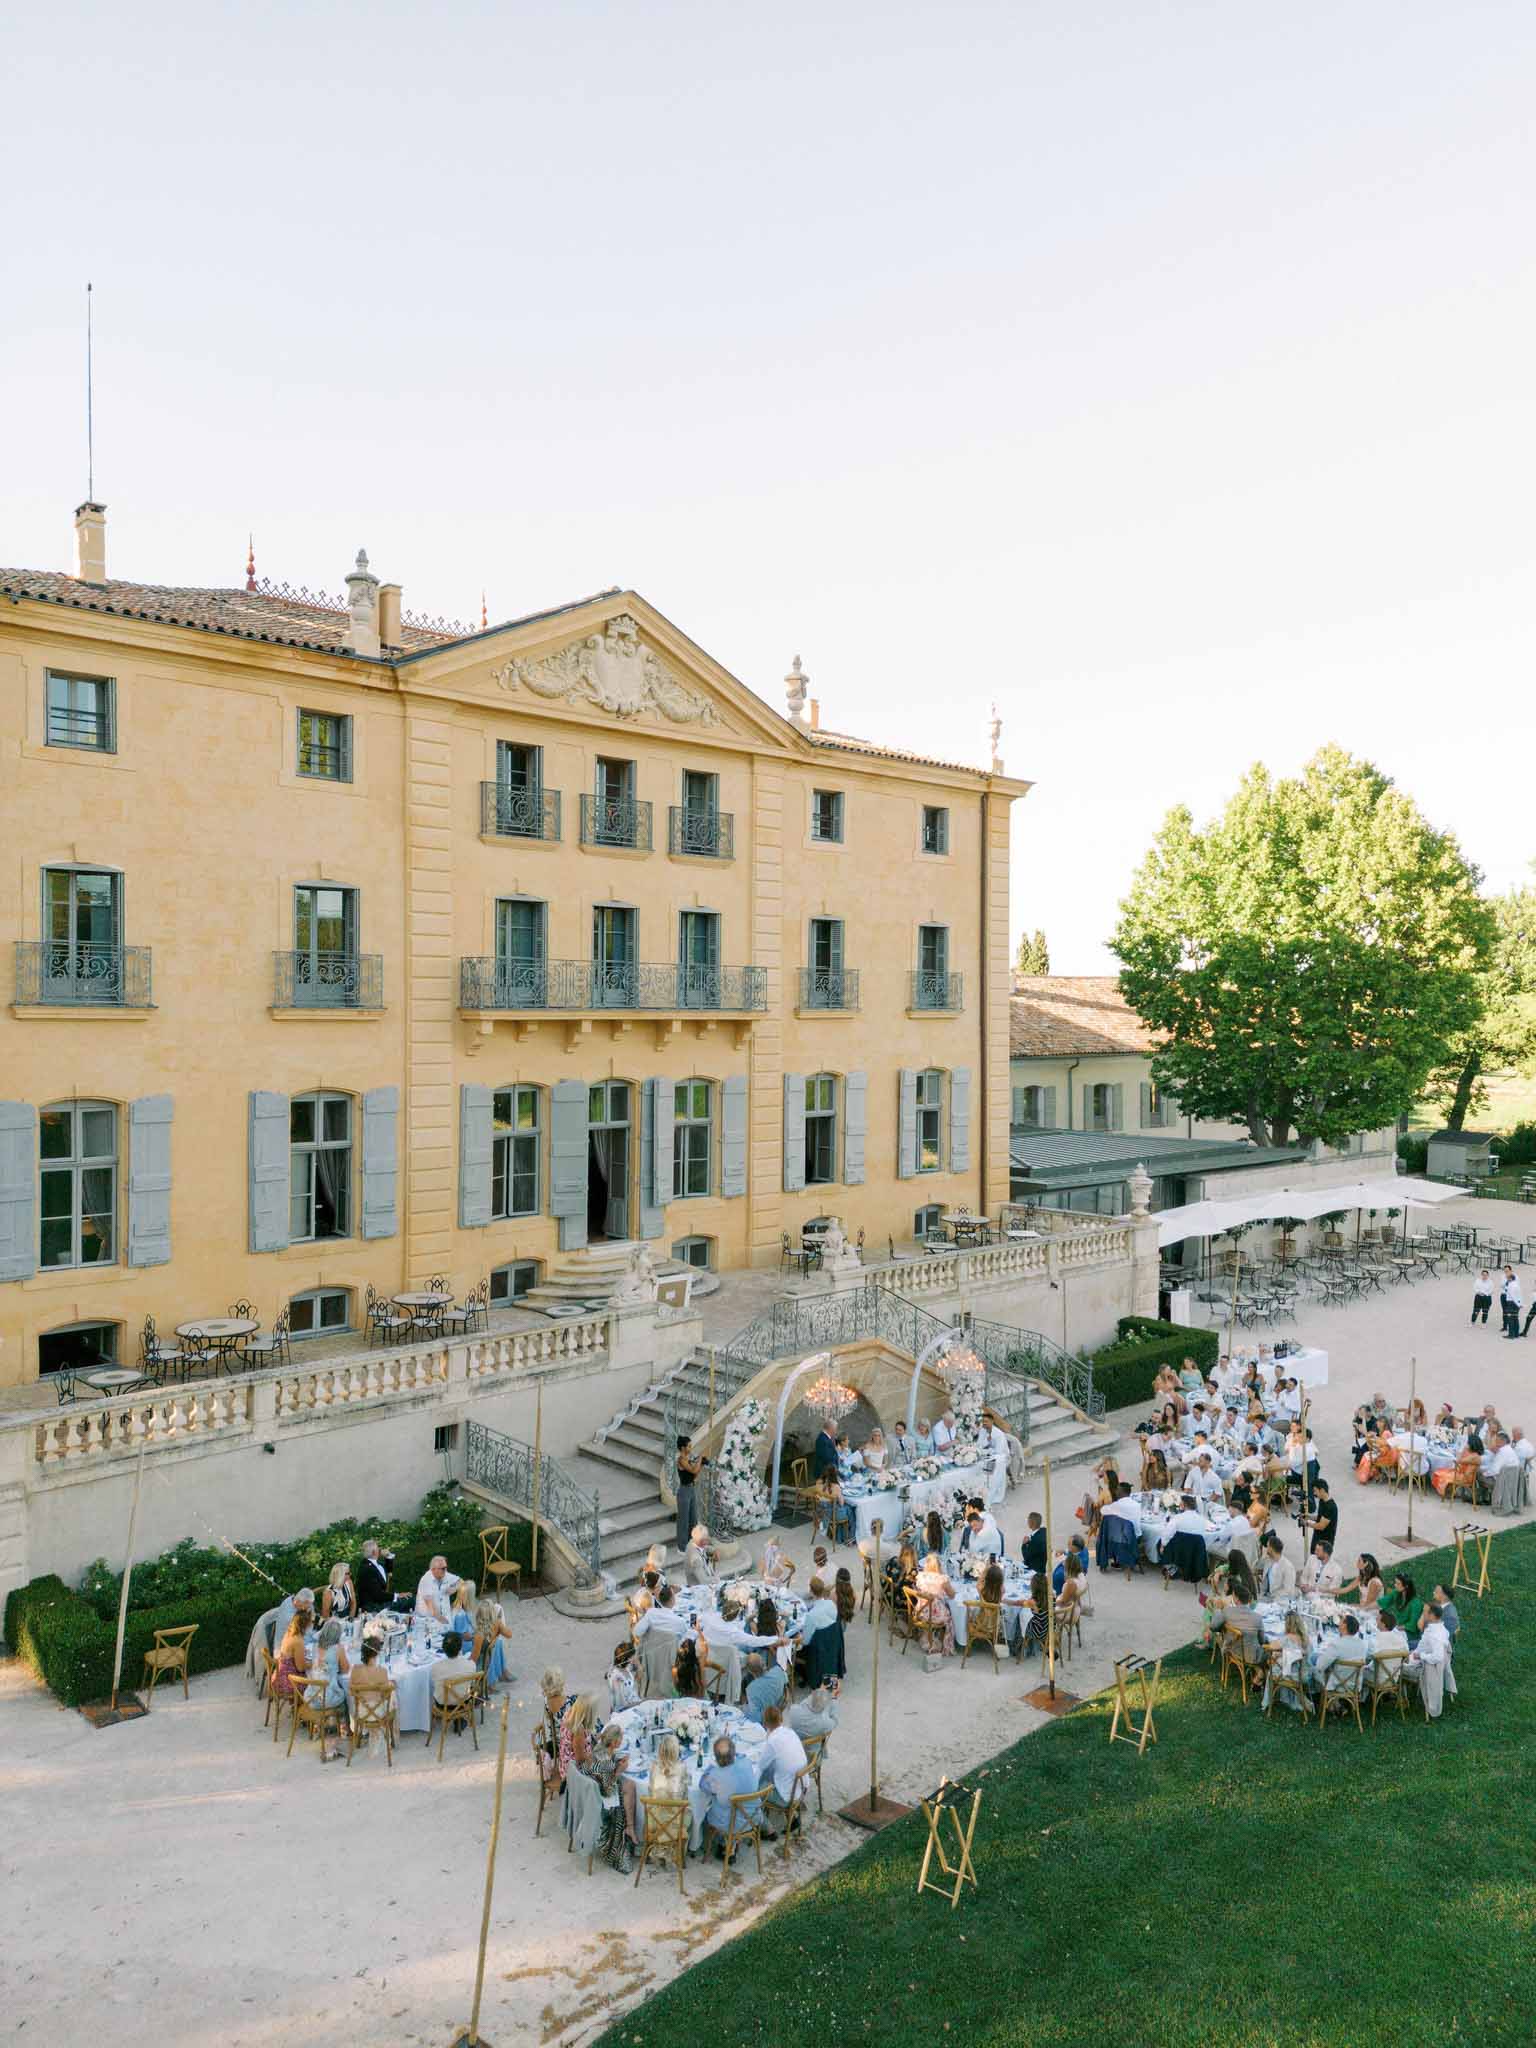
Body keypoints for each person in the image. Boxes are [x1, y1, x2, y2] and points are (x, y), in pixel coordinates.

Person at [700, 1735, 760, 1853]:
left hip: (731, 1823)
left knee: (706, 1811)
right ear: (734, 1753)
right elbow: (741, 1757)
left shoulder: (716, 1775)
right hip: (753, 1817)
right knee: (730, 1804)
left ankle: (725, 1844)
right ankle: (731, 1844)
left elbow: (702, 1786)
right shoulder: (746, 1762)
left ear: (716, 1758)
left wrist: (710, 1768)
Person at [757, 1703, 809, 1835]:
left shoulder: (772, 1741)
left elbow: (761, 1765)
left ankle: (766, 1829)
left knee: (755, 1788)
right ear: (781, 1719)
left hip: (787, 1796)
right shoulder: (790, 1732)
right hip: (802, 1786)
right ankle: (793, 1818)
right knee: (776, 1772)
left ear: (765, 1724)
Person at [311, 1619, 351, 1759]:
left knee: (331, 1690)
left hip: (312, 1695)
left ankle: (319, 1728)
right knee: (344, 1699)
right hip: (327, 1698)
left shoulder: (316, 1646)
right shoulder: (338, 1648)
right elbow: (346, 1669)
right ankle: (344, 1734)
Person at [1409, 1602, 1456, 1716]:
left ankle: (1393, 1696)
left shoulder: (1435, 1635)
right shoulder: (1440, 1628)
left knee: (1394, 1665)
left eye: (1424, 1612)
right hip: (1419, 1656)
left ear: (1432, 1615)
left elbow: (1438, 1656)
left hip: (1424, 1665)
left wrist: (1420, 1656)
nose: (1422, 1613)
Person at [428, 1631, 475, 1732]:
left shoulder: (436, 1667)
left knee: (438, 1688)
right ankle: (458, 1719)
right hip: (463, 1702)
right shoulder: (471, 1665)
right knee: (462, 1687)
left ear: (444, 1649)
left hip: (443, 1705)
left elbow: (434, 1684)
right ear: (460, 1648)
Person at [913, 1552, 958, 1655]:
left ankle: (929, 1636)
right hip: (935, 1615)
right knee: (950, 1616)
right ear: (939, 1565)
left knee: (942, 1607)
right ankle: (947, 1646)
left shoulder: (920, 1576)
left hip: (921, 1612)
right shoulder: (942, 1579)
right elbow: (952, 1595)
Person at [346, 1636, 394, 1731]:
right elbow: (386, 1694)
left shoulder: (355, 1669)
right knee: (393, 1693)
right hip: (379, 1713)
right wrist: (391, 1686)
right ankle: (391, 1733)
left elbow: (351, 1692)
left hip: (361, 1712)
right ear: (377, 1653)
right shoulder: (382, 1671)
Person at [474, 1591, 516, 1686]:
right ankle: (501, 1671)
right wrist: (499, 1627)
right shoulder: (497, 1624)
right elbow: (509, 1635)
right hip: (489, 1654)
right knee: (499, 1643)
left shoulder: (479, 1634)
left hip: (483, 1662)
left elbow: (474, 1658)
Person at [675, 1435, 707, 1550]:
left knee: (693, 1518)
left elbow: (694, 1475)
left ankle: (692, 1542)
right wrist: (699, 1459)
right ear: (683, 1448)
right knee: (683, 1520)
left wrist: (701, 1464)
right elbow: (693, 1470)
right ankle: (682, 1547)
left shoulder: (687, 1459)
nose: (691, 1448)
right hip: (684, 1491)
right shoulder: (681, 1460)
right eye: (689, 1446)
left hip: (691, 1489)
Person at [270, 1585, 316, 1654]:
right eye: (305, 1607)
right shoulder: (290, 1617)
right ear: (298, 1602)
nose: (306, 1609)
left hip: (297, 1638)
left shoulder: (293, 1599)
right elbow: (301, 1636)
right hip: (284, 1651)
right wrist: (311, 1619)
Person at [744, 1651, 787, 1721]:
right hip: (779, 1704)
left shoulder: (751, 1690)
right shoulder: (778, 1670)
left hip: (767, 1719)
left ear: (750, 1671)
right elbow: (786, 1681)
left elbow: (756, 1718)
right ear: (764, 1662)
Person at [1339, 1553, 1385, 1619]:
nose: (1357, 1562)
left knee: (1345, 1612)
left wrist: (1350, 1607)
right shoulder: (1362, 1577)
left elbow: (1368, 1605)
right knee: (1344, 1609)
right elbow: (1345, 1589)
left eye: (1359, 1561)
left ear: (1366, 1564)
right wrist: (1326, 1590)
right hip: (1363, 1608)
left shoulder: (1374, 1582)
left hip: (1371, 1613)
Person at [648, 1731, 688, 1806]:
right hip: (676, 1815)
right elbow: (685, 1794)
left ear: (660, 1749)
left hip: (655, 1814)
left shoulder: (654, 1766)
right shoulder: (682, 1768)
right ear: (676, 1751)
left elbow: (650, 1791)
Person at [415, 1556, 459, 1623]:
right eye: (443, 1568)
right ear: (433, 1569)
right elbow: (432, 1609)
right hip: (427, 1619)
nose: (445, 1570)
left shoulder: (444, 1574)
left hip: (444, 1616)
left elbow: (461, 1581)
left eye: (446, 1567)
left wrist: (454, 1588)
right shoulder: (426, 1580)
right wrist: (446, 1623)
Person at [815, 1469, 852, 1545]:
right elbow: (841, 1503)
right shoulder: (835, 1486)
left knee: (844, 1508)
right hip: (832, 1515)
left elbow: (818, 1497)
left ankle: (839, 1537)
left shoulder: (820, 1484)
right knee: (850, 1509)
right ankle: (849, 1538)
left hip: (822, 1514)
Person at [356, 1540, 394, 1612]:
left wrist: (389, 1555)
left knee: (408, 1599)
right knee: (409, 1600)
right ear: (374, 1552)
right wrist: (396, 1596)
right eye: (378, 1548)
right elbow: (377, 1595)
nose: (380, 1549)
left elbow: (389, 1571)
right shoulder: (366, 1568)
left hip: (381, 1602)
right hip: (373, 1607)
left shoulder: (377, 1564)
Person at [607, 1639, 639, 1712]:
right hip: (622, 1713)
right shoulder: (617, 1677)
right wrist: (639, 1703)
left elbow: (639, 1672)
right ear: (626, 1658)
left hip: (633, 1705)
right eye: (632, 1656)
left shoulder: (626, 1667)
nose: (634, 1658)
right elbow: (621, 1704)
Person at [1260, 1534, 1295, 1600]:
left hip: (1281, 1600)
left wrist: (1273, 1596)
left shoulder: (1287, 1566)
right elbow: (1255, 1567)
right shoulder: (1268, 1561)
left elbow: (1288, 1590)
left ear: (1271, 1548)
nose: (1266, 1549)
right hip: (1265, 1597)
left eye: (1267, 1546)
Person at [1499, 1266, 1523, 1338]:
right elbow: (1519, 1294)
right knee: (1515, 1318)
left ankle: (1511, 1334)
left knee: (1510, 1317)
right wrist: (1520, 1303)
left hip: (1511, 1302)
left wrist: (1518, 1303)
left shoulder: (1511, 1285)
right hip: (1514, 1302)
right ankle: (1516, 1333)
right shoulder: (1515, 1285)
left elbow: (1512, 1295)